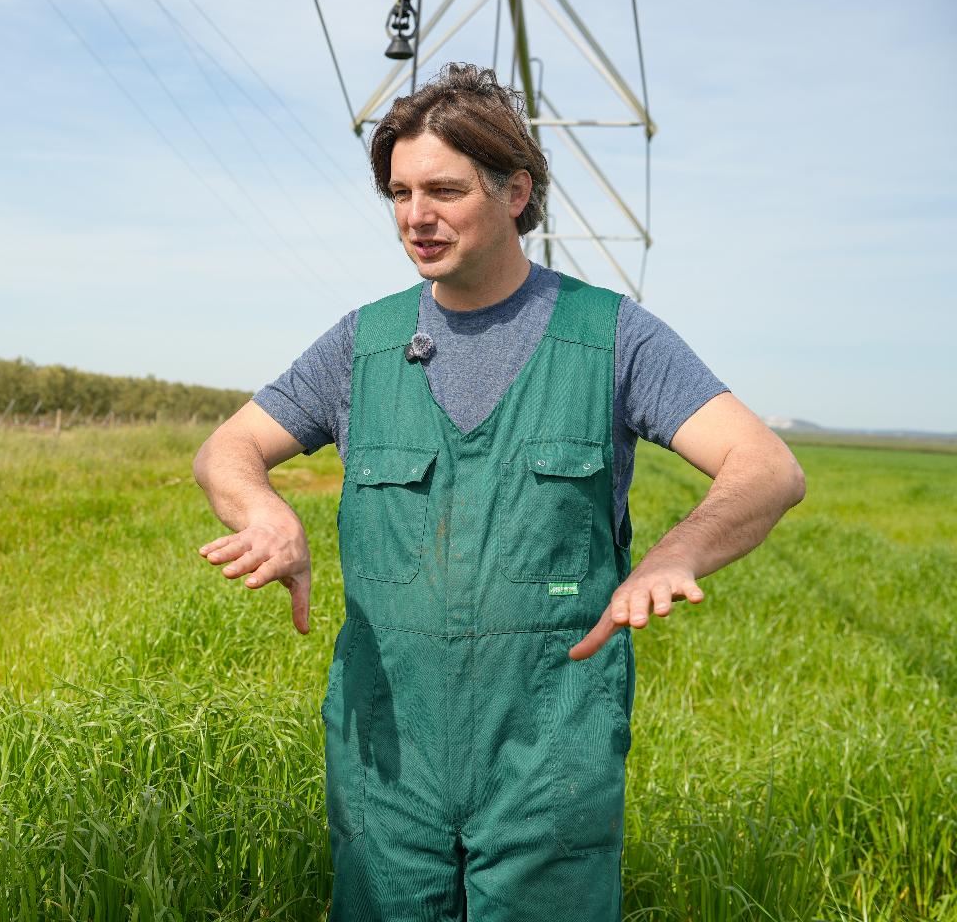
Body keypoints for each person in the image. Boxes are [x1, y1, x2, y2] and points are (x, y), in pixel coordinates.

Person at [193, 62, 805, 921]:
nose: (416, 217)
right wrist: (263, 509)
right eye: (399, 193)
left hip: (549, 755)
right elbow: (229, 448)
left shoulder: (612, 337)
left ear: (516, 190)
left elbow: (767, 466)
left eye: (442, 190)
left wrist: (675, 553)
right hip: (387, 754)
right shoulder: (363, 344)